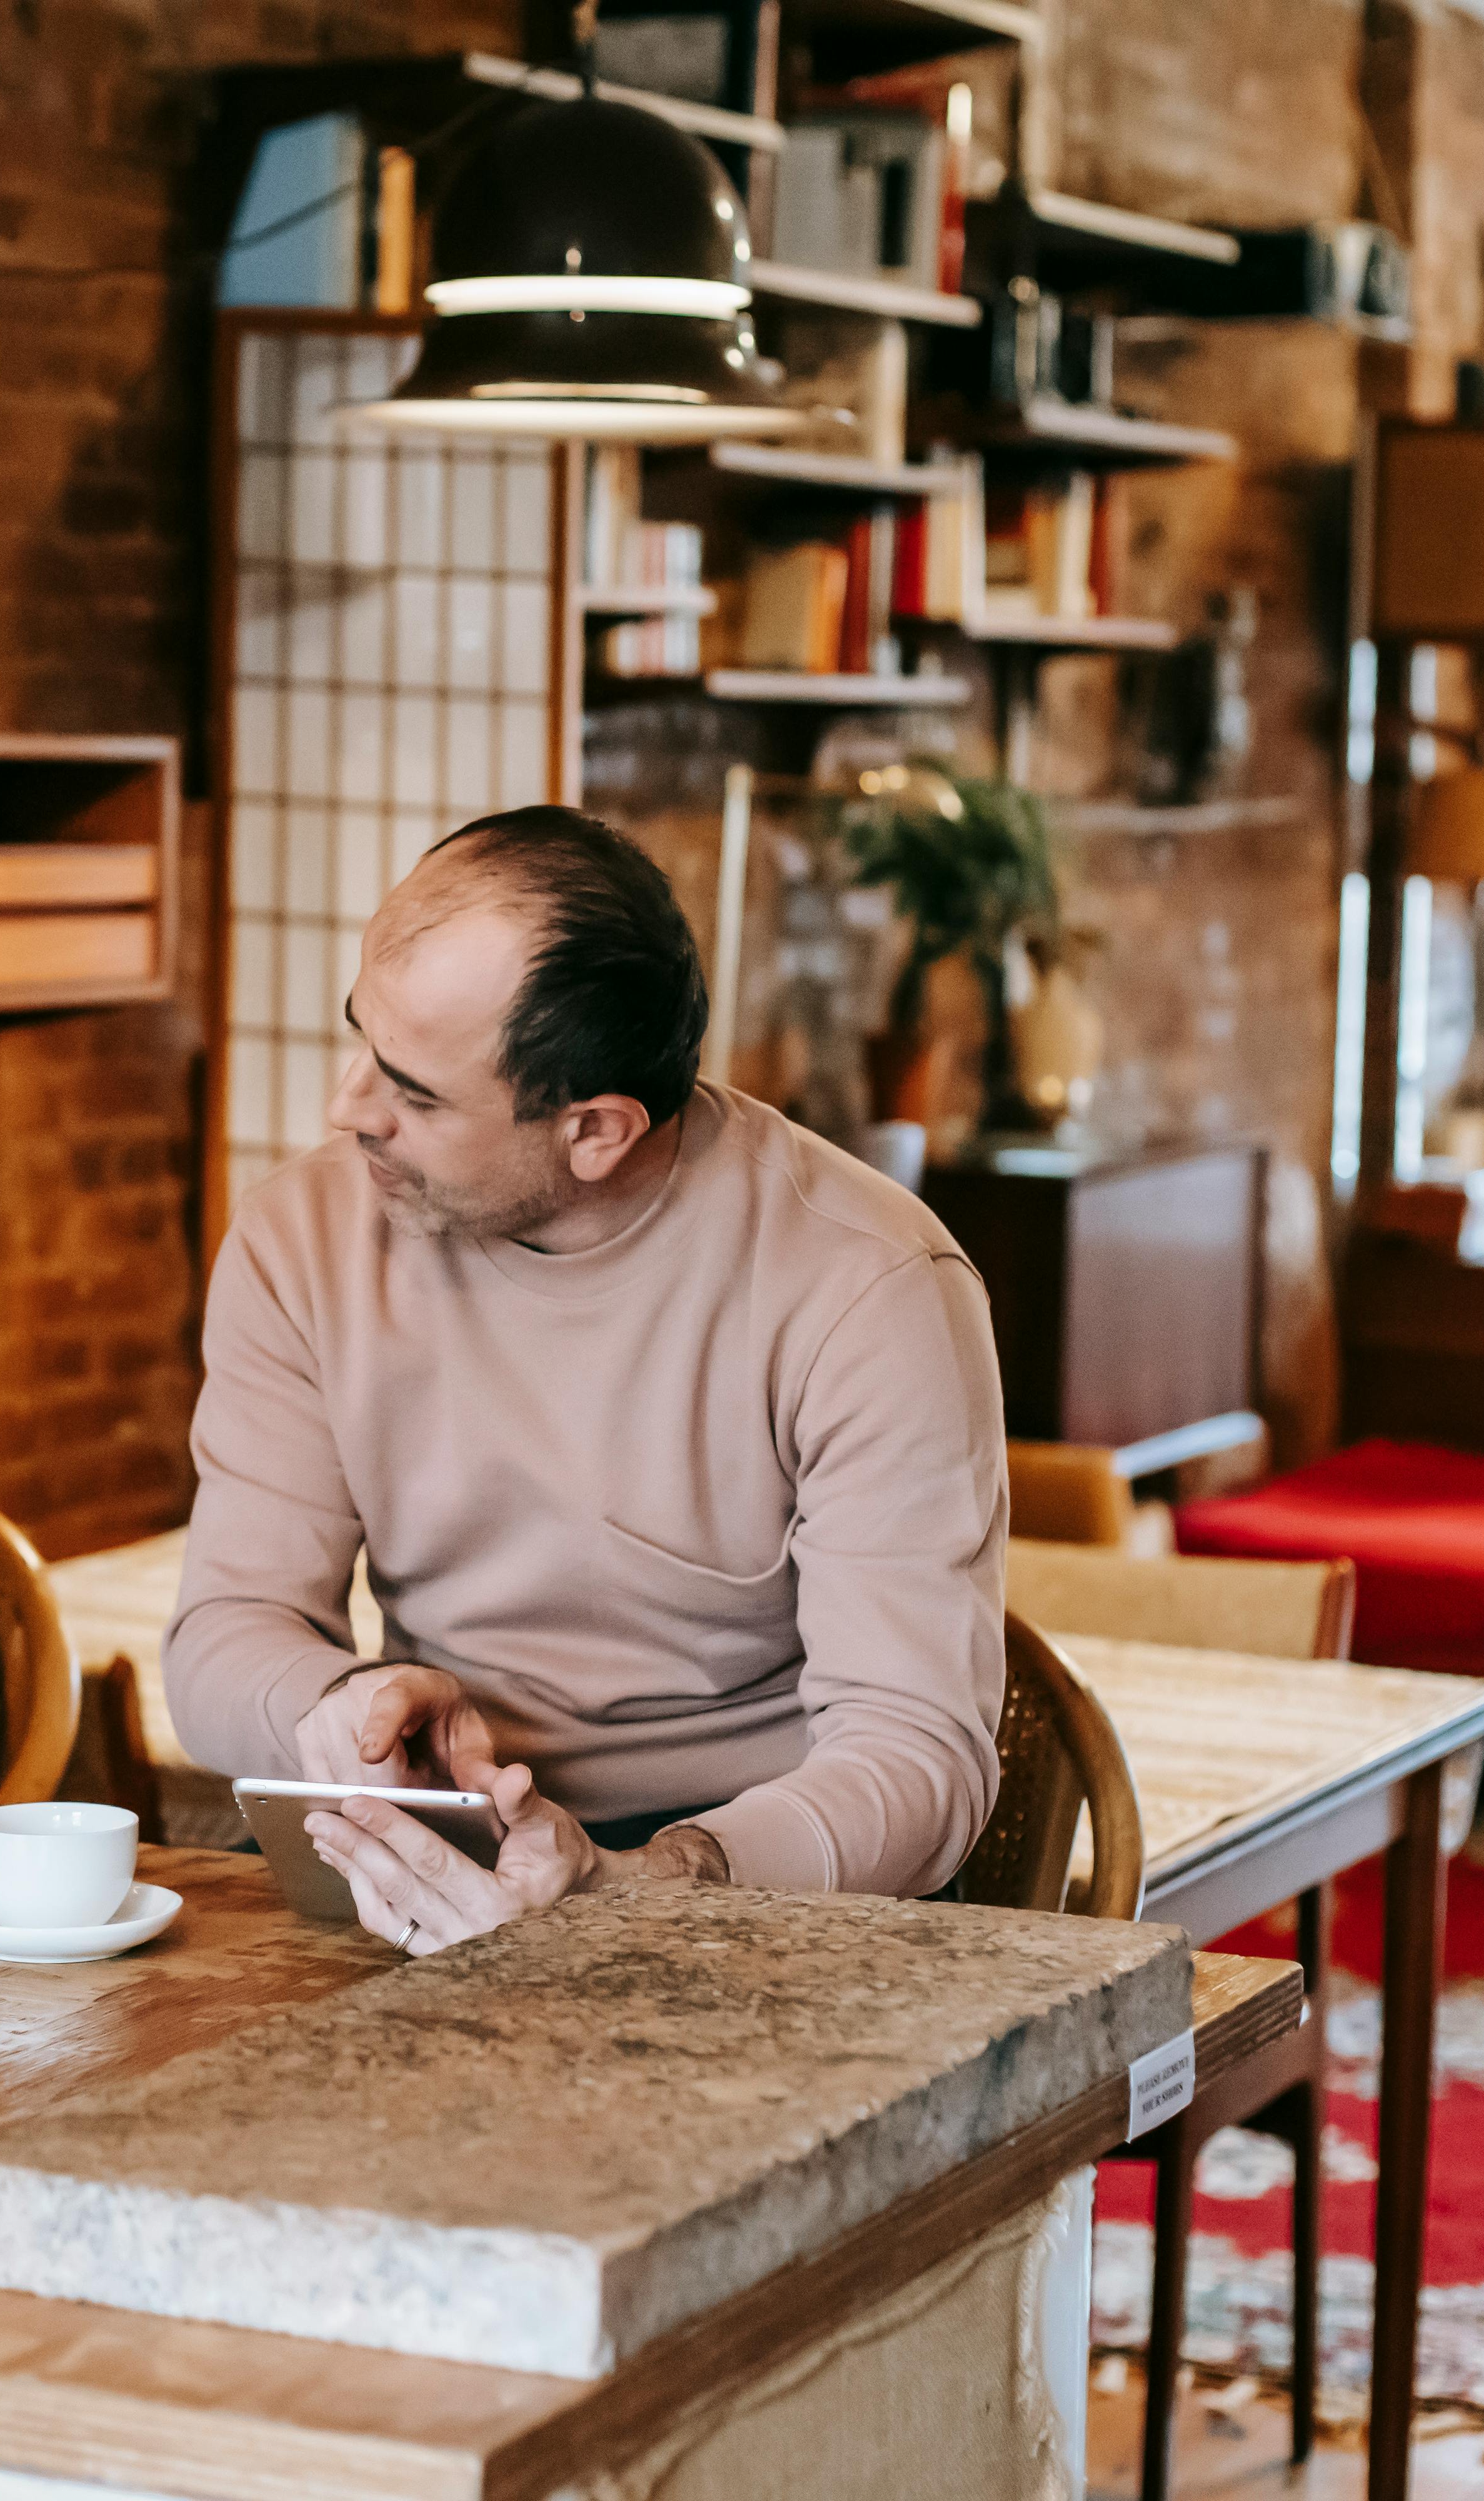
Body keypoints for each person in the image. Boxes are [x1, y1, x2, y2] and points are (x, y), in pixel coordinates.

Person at [164, 806, 1006, 1950]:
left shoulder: (868, 1286)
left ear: (596, 1131)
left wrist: (651, 1882)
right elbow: (226, 1633)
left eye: (413, 1094)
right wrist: (336, 1709)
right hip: (448, 1836)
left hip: (754, 1881)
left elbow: (920, 1758)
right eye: (360, 1037)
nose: (346, 1108)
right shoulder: (299, 1241)